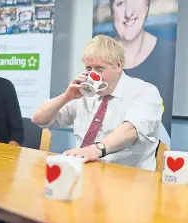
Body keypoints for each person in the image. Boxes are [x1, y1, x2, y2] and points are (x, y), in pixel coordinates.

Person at [32, 35, 163, 170]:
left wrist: (96, 149)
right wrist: (66, 96)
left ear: (119, 65)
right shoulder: (85, 94)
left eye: (99, 68)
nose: (93, 75)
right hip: (85, 171)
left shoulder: (145, 91)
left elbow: (131, 130)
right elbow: (38, 119)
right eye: (89, 69)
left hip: (128, 177)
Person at [107, 0, 176, 138]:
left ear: (148, 1)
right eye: (120, 2)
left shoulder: (169, 53)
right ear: (111, 9)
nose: (128, 12)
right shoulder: (99, 59)